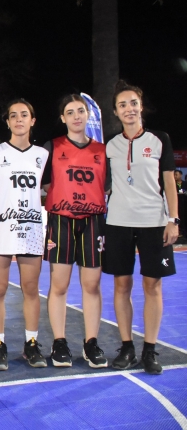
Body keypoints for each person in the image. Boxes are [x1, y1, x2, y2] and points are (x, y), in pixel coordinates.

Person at [103, 80, 178, 375]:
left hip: (153, 222)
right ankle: (127, 347)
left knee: (152, 285)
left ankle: (149, 349)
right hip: (118, 222)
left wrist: (173, 219)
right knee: (122, 285)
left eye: (133, 103)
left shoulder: (160, 139)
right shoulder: (110, 144)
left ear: (141, 106)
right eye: (122, 105)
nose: (129, 108)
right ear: (116, 111)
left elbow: (169, 182)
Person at [0, 99, 49, 370]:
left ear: (33, 120)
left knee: (31, 289)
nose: (19, 119)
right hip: (1, 230)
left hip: (31, 230)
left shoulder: (42, 155)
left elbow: (49, 189)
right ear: (7, 122)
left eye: (24, 115)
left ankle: (31, 344)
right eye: (13, 115)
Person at [42, 94, 109, 369]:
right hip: (61, 220)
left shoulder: (102, 151)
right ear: (63, 118)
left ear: (88, 114)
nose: (76, 116)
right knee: (59, 285)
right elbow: (44, 183)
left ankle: (91, 343)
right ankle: (59, 342)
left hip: (93, 220)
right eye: (70, 112)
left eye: (80, 111)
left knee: (91, 285)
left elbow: (107, 186)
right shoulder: (52, 147)